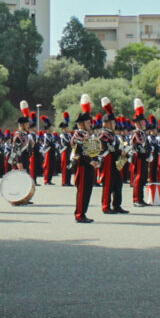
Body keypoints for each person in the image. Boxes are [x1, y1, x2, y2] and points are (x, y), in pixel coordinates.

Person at [98, 97, 127, 215]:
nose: (114, 124)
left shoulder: (113, 134)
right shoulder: (103, 133)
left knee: (118, 183)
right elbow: (109, 147)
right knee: (108, 184)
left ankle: (117, 205)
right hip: (108, 160)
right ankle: (106, 205)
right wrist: (120, 152)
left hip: (115, 160)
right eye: (113, 122)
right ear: (106, 123)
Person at [71, 94, 97, 223]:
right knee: (82, 191)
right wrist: (91, 160)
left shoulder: (89, 135)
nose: (90, 124)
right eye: (88, 122)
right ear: (81, 123)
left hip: (90, 166)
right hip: (82, 165)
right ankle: (79, 214)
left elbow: (94, 149)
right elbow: (81, 150)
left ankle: (83, 213)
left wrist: (96, 160)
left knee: (88, 190)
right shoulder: (77, 135)